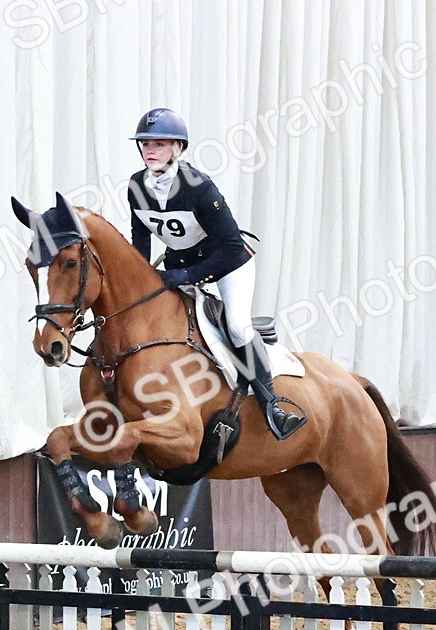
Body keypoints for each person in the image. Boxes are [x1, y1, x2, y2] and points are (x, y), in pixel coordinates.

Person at [125, 107, 306, 440]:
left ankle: (273, 405)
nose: (150, 151)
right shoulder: (137, 186)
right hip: (180, 266)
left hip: (226, 263)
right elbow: (141, 238)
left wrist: (190, 275)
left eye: (160, 144)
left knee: (236, 326)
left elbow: (230, 244)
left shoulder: (198, 187)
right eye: (146, 144)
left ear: (178, 148)